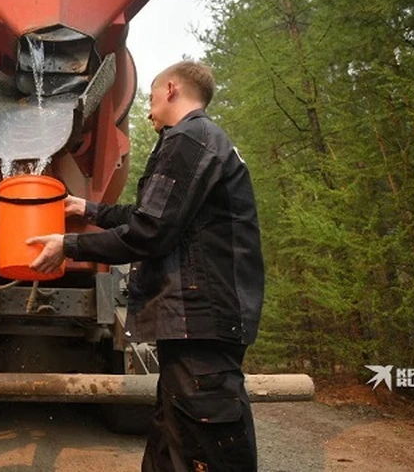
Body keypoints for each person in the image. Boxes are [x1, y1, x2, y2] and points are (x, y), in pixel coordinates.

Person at [27, 60, 264, 471]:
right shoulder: (203, 140)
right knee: (172, 440)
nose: (148, 108)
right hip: (197, 320)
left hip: (200, 320)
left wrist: (69, 245)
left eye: (152, 97)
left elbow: (150, 231)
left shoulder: (188, 139)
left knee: (204, 444)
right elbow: (152, 216)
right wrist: (91, 209)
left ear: (171, 89)